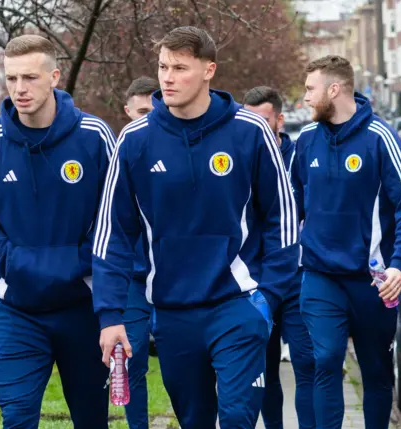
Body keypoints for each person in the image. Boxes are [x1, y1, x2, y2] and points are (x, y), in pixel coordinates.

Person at [92, 26, 299, 429]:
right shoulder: (134, 141)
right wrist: (109, 315)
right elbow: (113, 234)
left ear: (209, 70)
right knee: (194, 420)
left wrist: (268, 297)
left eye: (180, 68)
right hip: (172, 312)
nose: (167, 78)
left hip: (238, 304)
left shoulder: (249, 131)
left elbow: (283, 220)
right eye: (163, 67)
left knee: (238, 417)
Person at [0, 35, 114, 429]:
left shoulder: (94, 135)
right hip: (18, 308)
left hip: (82, 305)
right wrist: (15, 264)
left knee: (92, 420)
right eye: (12, 78)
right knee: (17, 418)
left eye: (30, 77)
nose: (19, 88)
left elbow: (115, 218)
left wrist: (75, 265)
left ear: (55, 77)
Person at [291, 55, 401, 429]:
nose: (305, 98)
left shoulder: (380, 137)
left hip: (372, 280)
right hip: (319, 276)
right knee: (326, 359)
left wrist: (399, 264)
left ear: (334, 90)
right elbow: (288, 207)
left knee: (377, 373)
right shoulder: (307, 141)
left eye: (310, 89)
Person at [244, 86, 315, 429]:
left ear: (280, 120)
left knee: (307, 364)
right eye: (250, 119)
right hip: (257, 282)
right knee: (264, 370)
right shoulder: (240, 157)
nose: (256, 127)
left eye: (264, 120)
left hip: (298, 280)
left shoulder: (299, 157)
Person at [122, 76, 159, 429]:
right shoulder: (120, 153)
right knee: (131, 360)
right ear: (128, 111)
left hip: (171, 276)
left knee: (190, 362)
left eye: (154, 111)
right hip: (132, 278)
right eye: (142, 111)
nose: (148, 118)